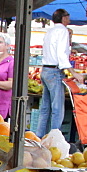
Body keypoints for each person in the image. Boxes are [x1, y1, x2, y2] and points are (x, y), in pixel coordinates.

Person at [36, 8, 73, 137]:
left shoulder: (50, 31)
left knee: (45, 107)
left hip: (45, 70)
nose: (69, 19)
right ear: (63, 18)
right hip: (54, 71)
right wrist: (74, 73)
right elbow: (62, 55)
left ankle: (39, 136)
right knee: (57, 109)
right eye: (68, 16)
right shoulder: (62, 31)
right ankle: (54, 138)